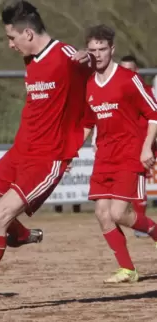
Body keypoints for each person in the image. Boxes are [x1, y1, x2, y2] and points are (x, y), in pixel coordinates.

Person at [0, 0, 93, 312]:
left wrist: (88, 57)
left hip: (47, 159)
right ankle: (19, 236)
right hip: (20, 151)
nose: (9, 44)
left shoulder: (67, 58)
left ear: (28, 34)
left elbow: (100, 70)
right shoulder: (31, 60)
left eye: (11, 37)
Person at [81, 25, 157, 284]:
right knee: (102, 214)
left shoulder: (128, 79)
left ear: (112, 49)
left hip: (129, 154)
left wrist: (147, 147)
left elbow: (154, 114)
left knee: (117, 213)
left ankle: (154, 231)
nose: (98, 54)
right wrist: (68, 153)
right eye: (93, 50)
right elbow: (87, 123)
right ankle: (128, 269)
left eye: (102, 49)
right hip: (104, 157)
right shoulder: (88, 83)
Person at [92, 55, 154, 239]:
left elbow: (152, 115)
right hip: (123, 150)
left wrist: (147, 145)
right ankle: (141, 228)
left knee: (121, 208)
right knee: (107, 212)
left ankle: (144, 224)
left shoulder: (144, 91)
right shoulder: (112, 90)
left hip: (143, 145)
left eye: (130, 69)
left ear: (137, 72)